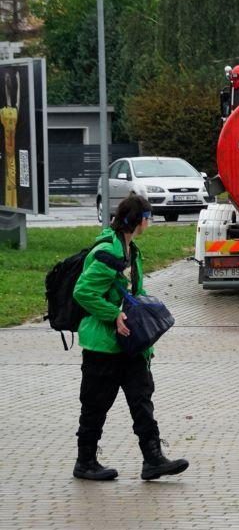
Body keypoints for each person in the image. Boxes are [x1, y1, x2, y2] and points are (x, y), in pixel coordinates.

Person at [71, 193, 189, 481]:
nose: (150, 223)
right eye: (148, 218)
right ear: (140, 220)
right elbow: (83, 292)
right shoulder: (107, 251)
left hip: (130, 345)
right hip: (103, 346)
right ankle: (85, 462)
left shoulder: (130, 249)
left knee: (141, 399)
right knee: (96, 404)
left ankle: (153, 459)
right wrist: (113, 314)